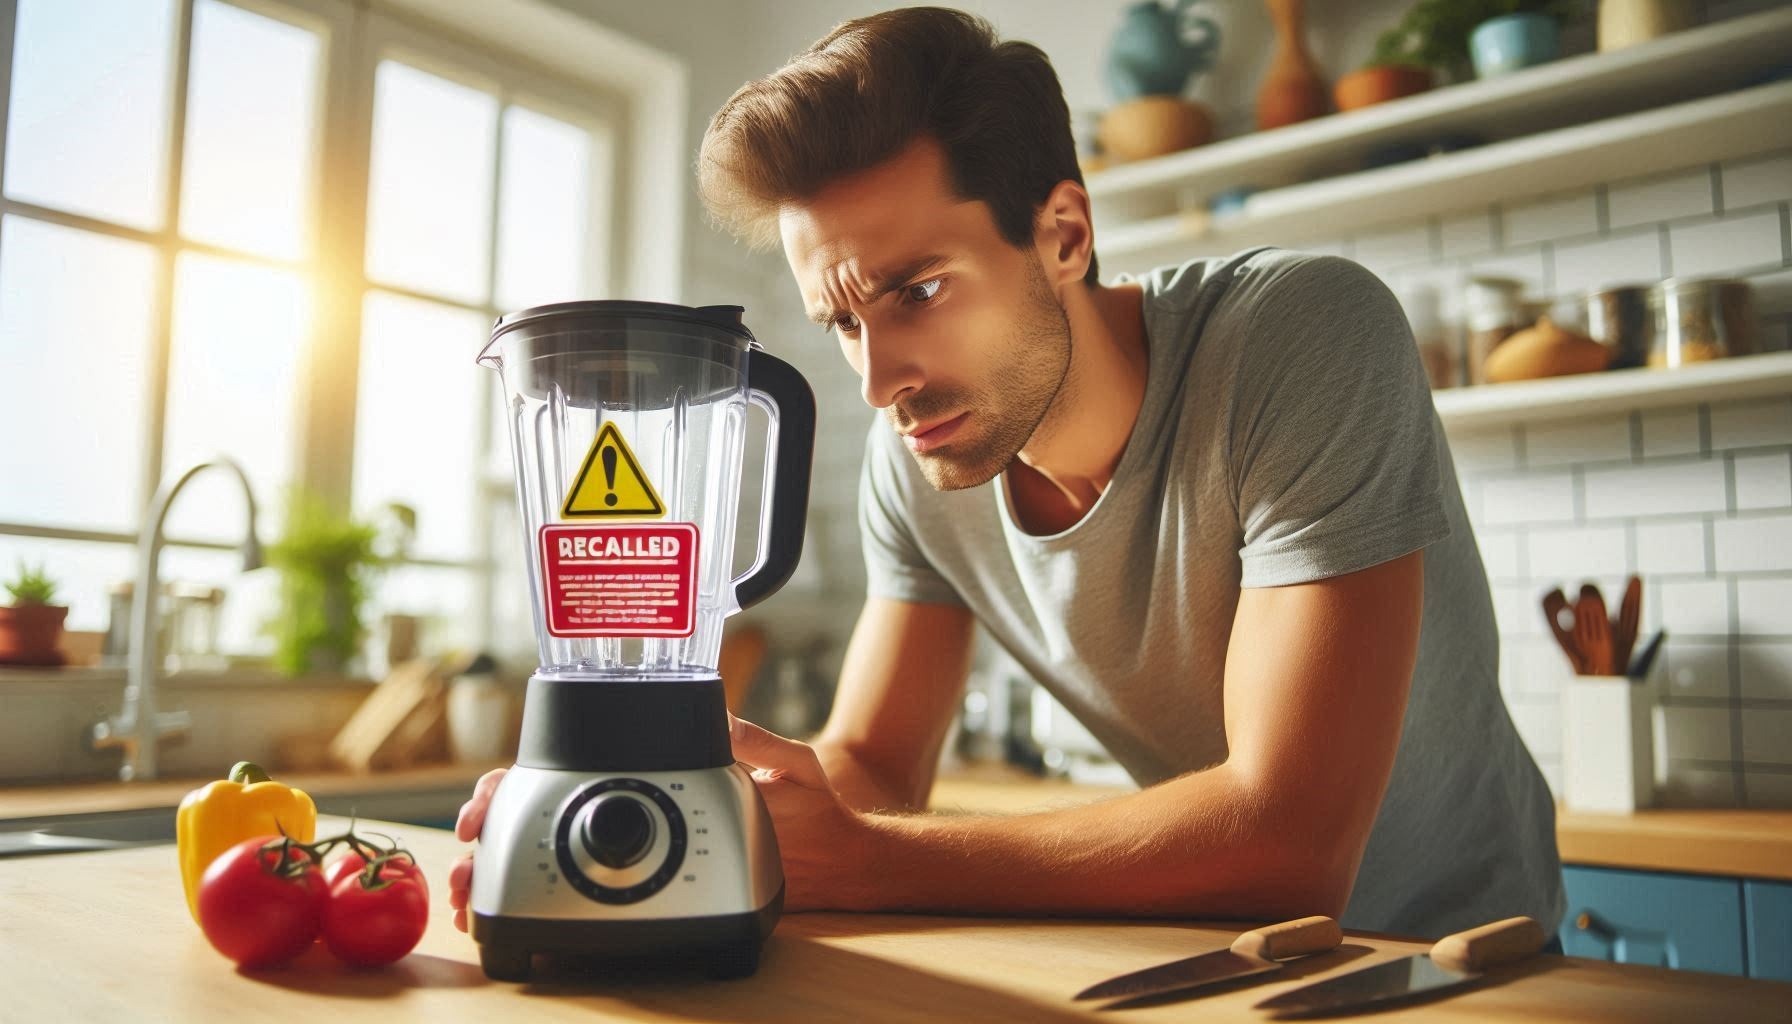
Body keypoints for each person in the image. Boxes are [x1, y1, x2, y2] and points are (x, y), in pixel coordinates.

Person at [449, 6, 1565, 942]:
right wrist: (652, 812)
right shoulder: (916, 463)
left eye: (917, 290)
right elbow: (873, 769)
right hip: (1221, 959)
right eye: (841, 318)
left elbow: (1289, 843)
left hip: (1462, 958)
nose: (880, 378)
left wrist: (875, 860)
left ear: (1064, 233)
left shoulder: (1304, 337)